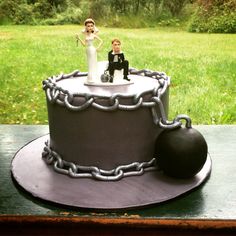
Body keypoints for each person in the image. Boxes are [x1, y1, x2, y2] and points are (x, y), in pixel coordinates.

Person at [76, 18, 103, 83]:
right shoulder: (86, 35)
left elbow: (101, 41)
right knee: (89, 63)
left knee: (93, 62)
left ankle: (93, 77)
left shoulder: (93, 35)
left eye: (91, 26)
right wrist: (79, 39)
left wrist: (98, 48)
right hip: (88, 50)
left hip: (93, 49)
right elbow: (84, 44)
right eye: (88, 26)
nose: (90, 27)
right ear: (86, 27)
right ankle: (90, 77)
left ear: (93, 27)